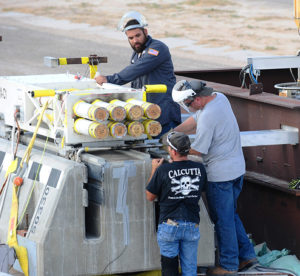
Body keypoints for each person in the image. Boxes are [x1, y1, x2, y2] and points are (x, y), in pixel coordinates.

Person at [171, 80, 257, 275]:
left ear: (197, 98)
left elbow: (199, 150)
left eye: (188, 104)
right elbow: (194, 119)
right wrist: (174, 132)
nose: (188, 108)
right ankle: (247, 255)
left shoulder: (209, 116)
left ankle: (228, 265)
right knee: (231, 215)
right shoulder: (220, 98)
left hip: (220, 176)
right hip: (236, 170)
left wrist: (173, 147)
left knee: (223, 220)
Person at [95, 11, 181, 136]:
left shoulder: (157, 48)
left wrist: (110, 79)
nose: (135, 40)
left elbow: (137, 69)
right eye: (131, 38)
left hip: (164, 115)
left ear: (145, 32)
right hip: (148, 114)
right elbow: (136, 82)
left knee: (164, 152)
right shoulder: (138, 52)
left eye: (138, 35)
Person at [146, 131, 207, 276]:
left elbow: (149, 196)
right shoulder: (200, 168)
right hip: (192, 224)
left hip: (169, 225)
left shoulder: (163, 170)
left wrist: (154, 169)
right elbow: (202, 189)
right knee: (190, 268)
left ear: (172, 151)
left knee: (169, 269)